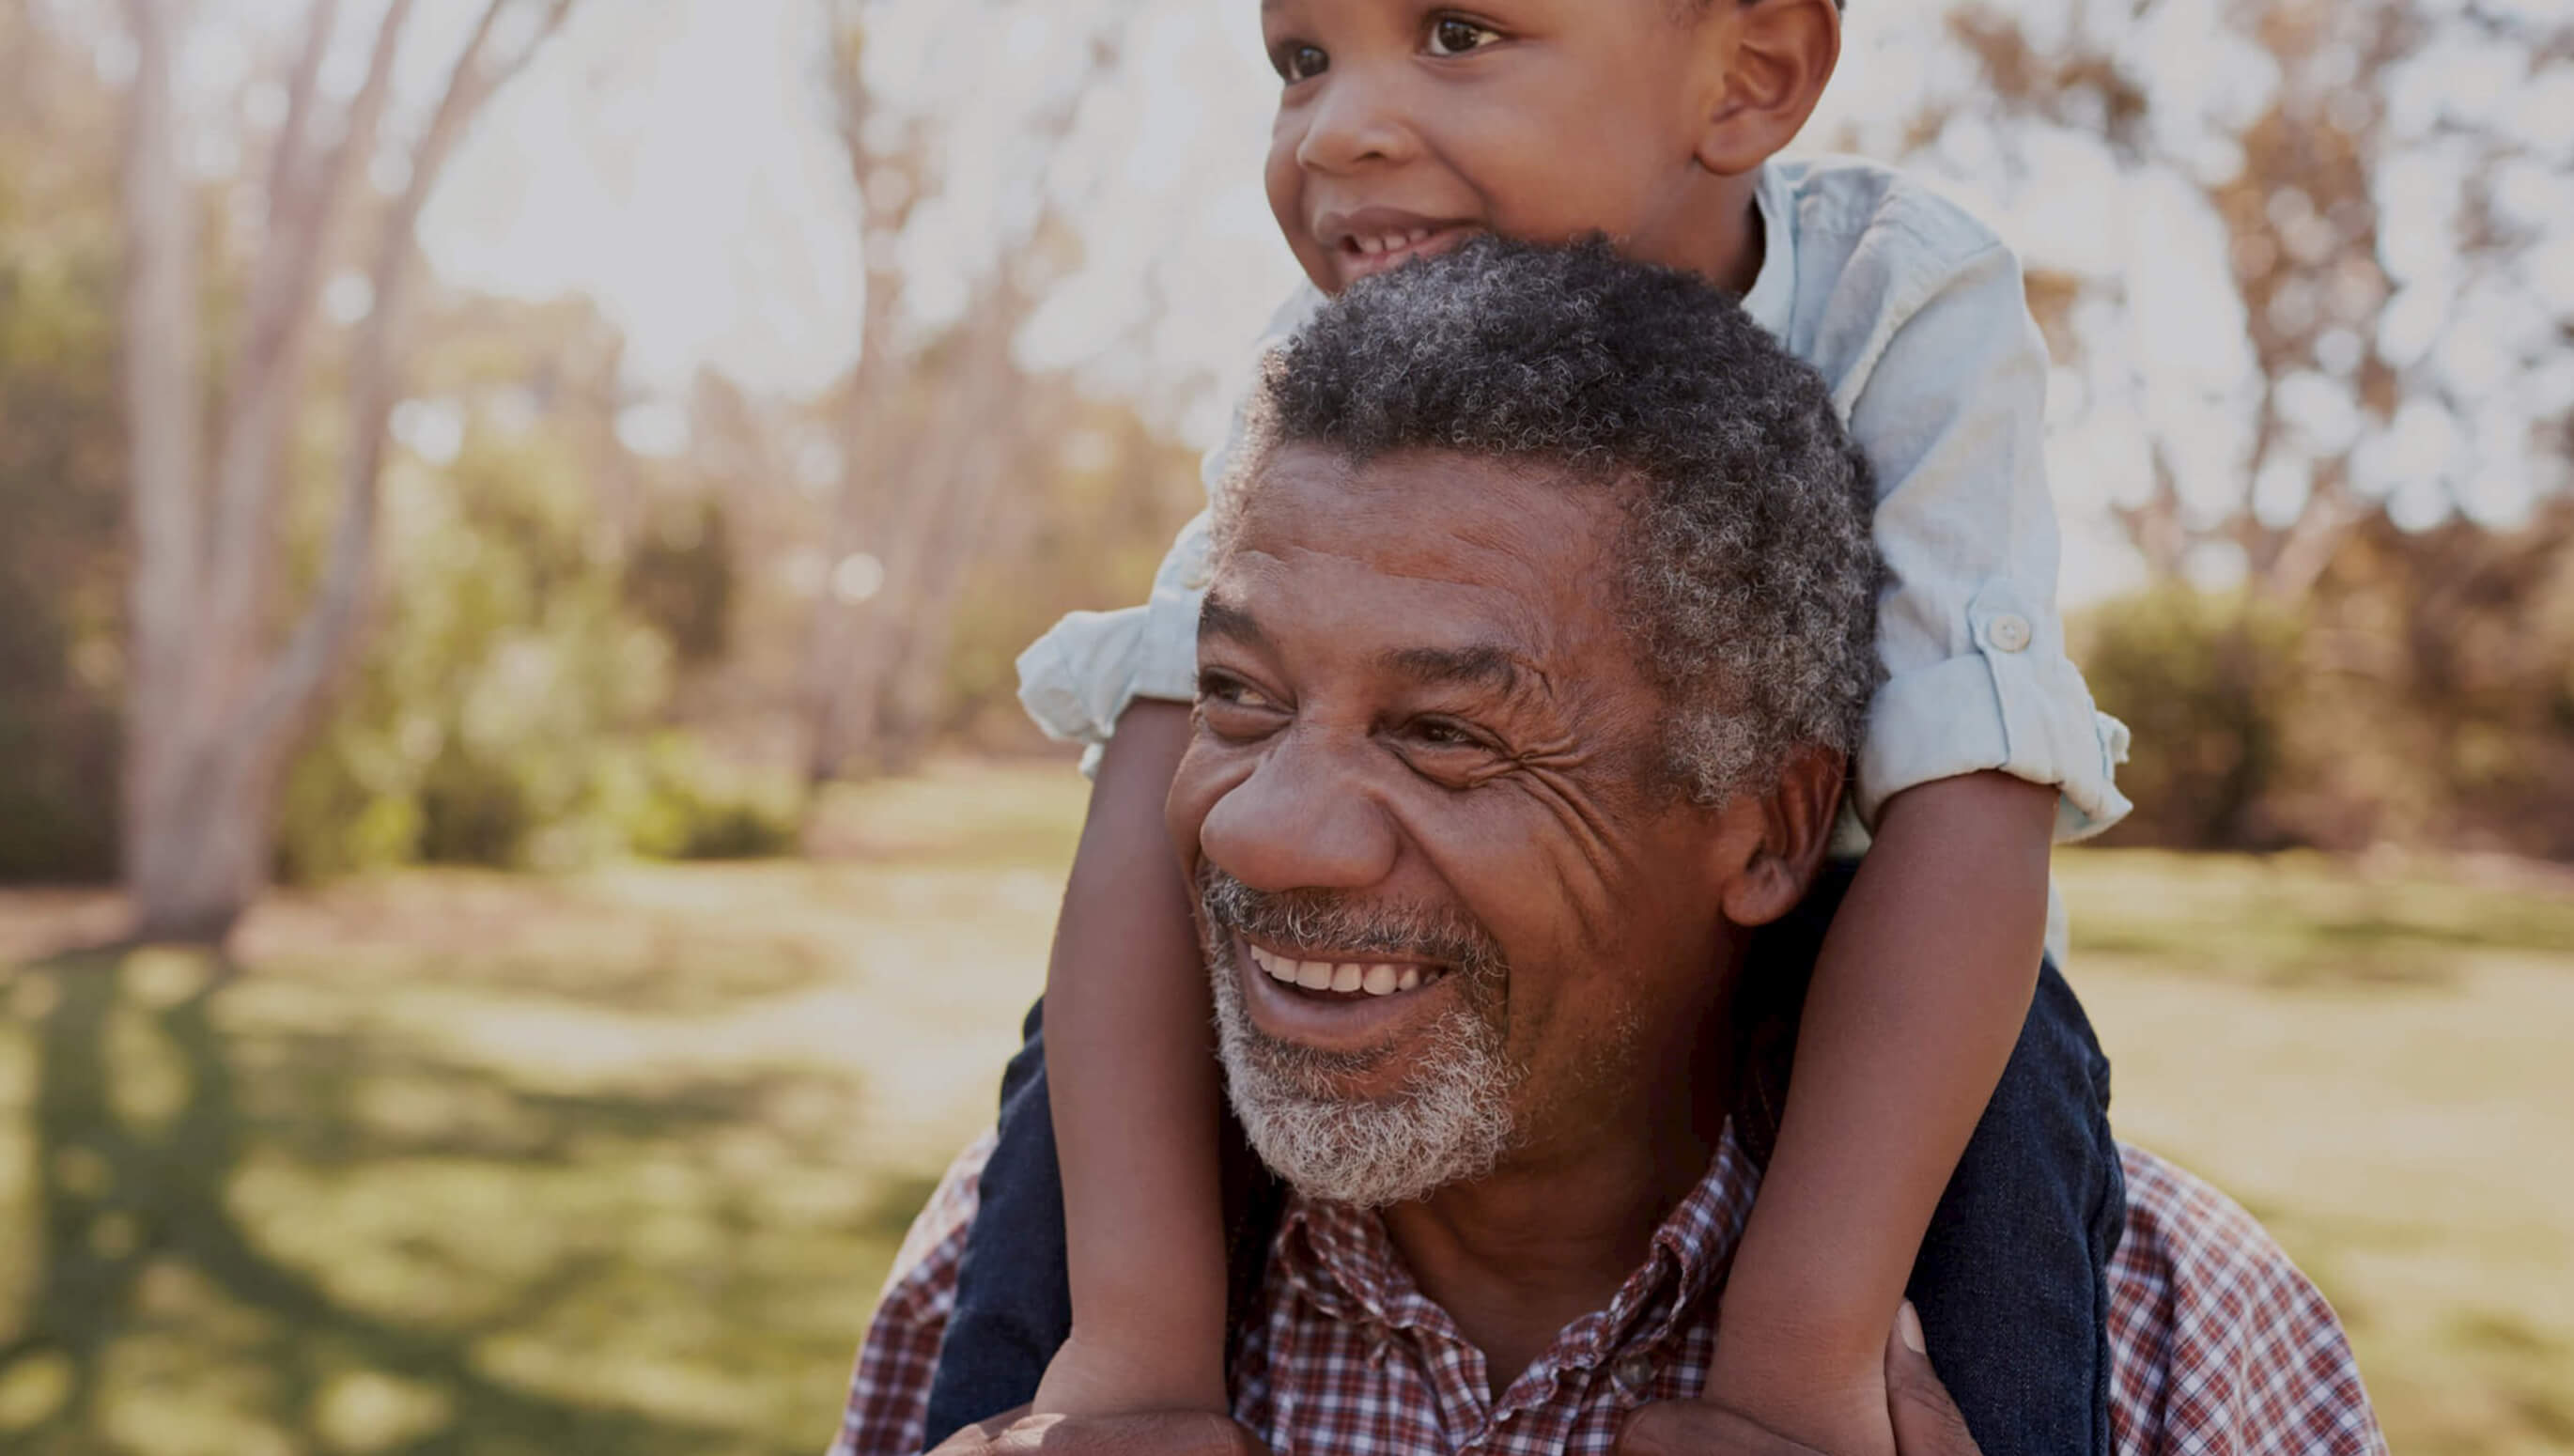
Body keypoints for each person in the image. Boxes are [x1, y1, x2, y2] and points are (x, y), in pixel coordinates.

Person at [845, 240, 2382, 1456]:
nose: (1264, 829)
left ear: (1774, 827)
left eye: (1447, 734)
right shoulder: (1016, 1289)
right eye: (1238, 698)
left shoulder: (2173, 1337)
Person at [942, 3, 2137, 1453]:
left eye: (1455, 32)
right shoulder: (1325, 356)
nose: (1337, 128)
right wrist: (1131, 1353)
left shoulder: (1899, 291)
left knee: (2009, 1139)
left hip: (1888, 954)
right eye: (1300, 60)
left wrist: (1794, 1368)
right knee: (1073, 1070)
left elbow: (1974, 790)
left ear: (1751, 74)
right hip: (1551, 995)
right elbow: (1157, 736)